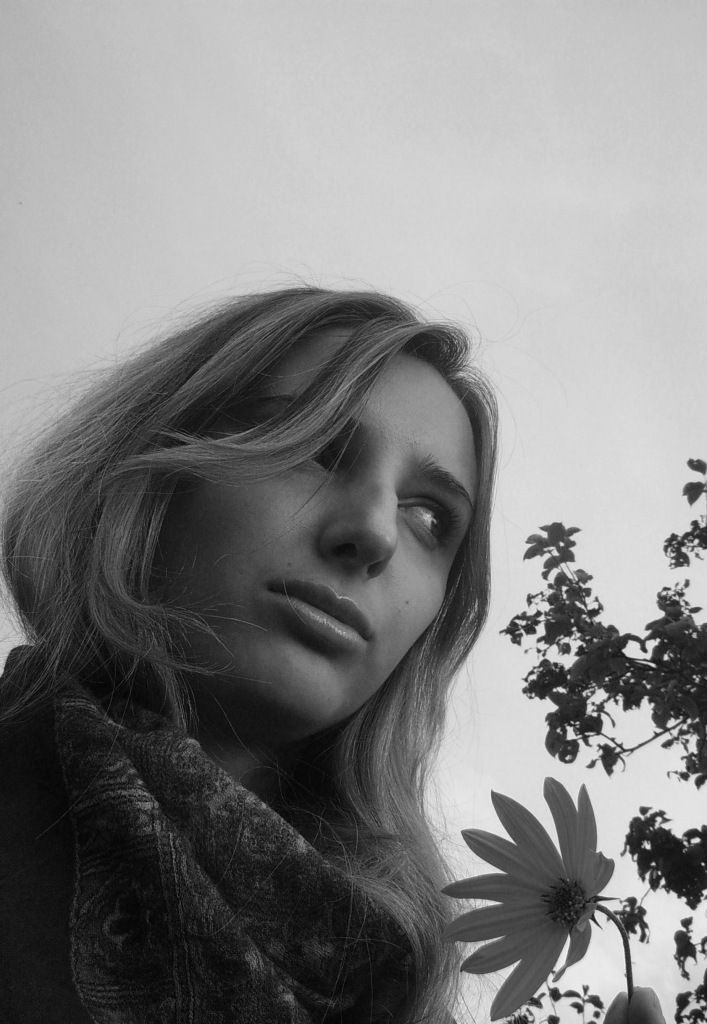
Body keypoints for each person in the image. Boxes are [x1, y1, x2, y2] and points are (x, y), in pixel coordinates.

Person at [0, 286, 664, 1023]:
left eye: (429, 517)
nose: (374, 533)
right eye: (317, 449)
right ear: (157, 468)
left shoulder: (395, 985)